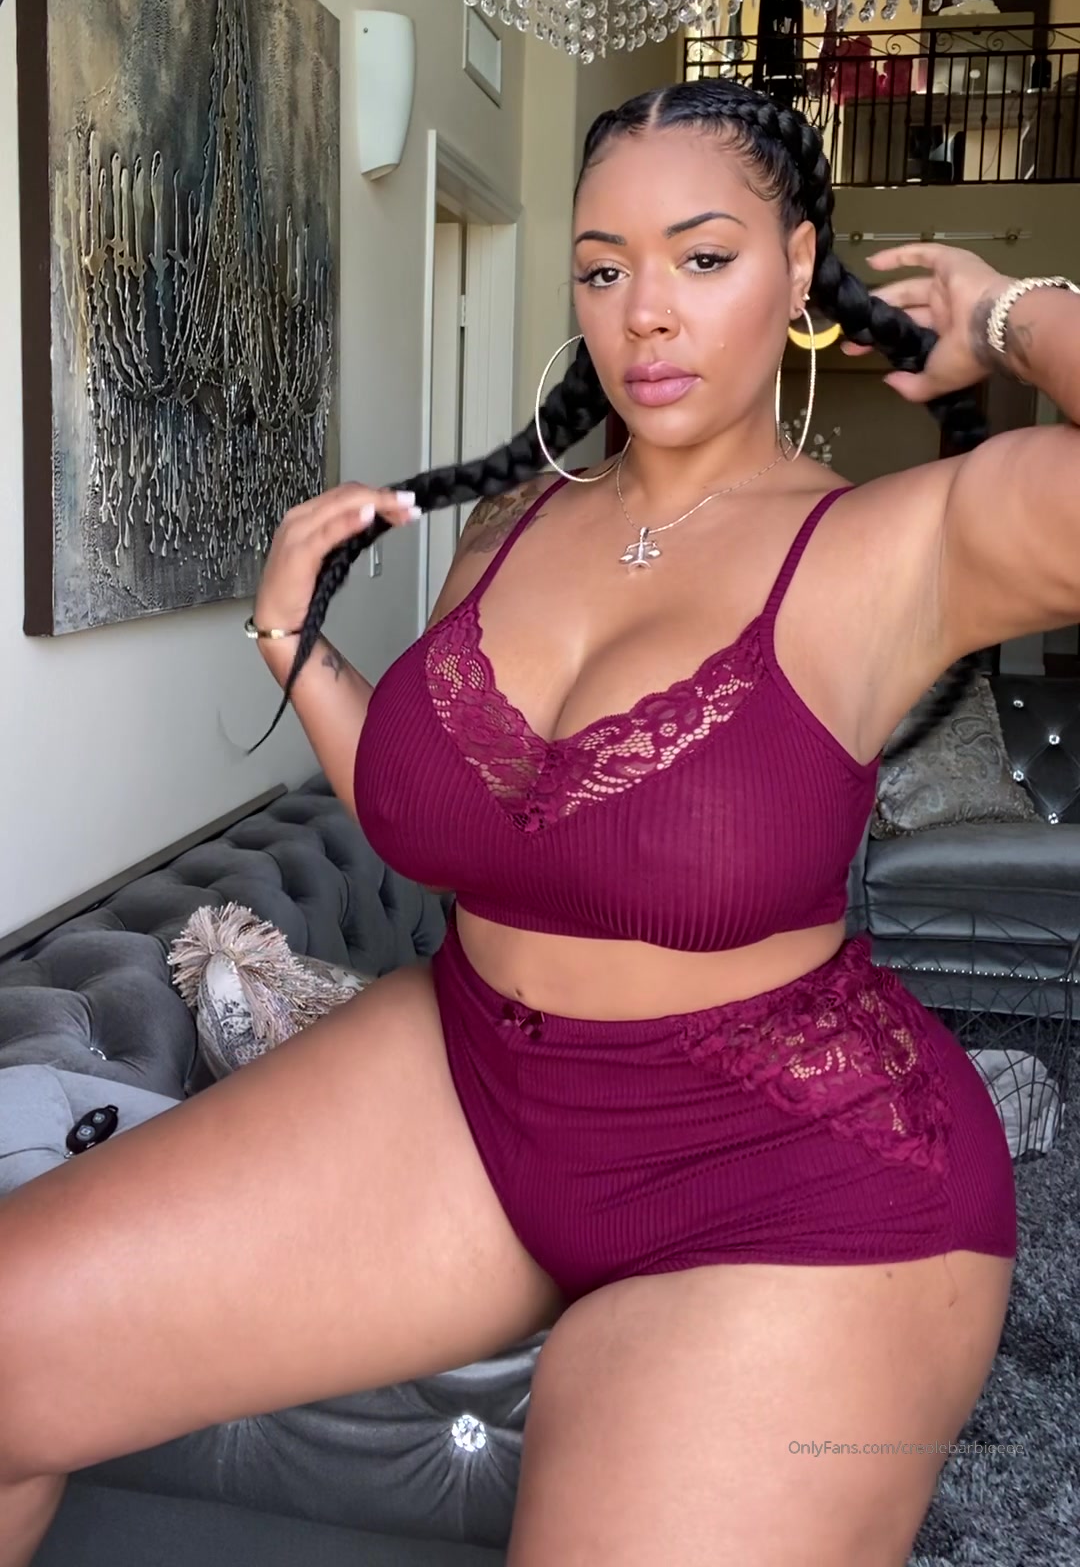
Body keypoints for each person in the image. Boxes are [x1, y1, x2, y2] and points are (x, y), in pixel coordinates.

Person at [2, 79, 1078, 1567]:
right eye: (602, 266)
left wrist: (1015, 315)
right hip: (473, 1078)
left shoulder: (904, 543)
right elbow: (462, 823)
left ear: (800, 270)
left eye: (704, 258)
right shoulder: (511, 536)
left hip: (799, 1171)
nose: (647, 312)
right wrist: (295, 650)